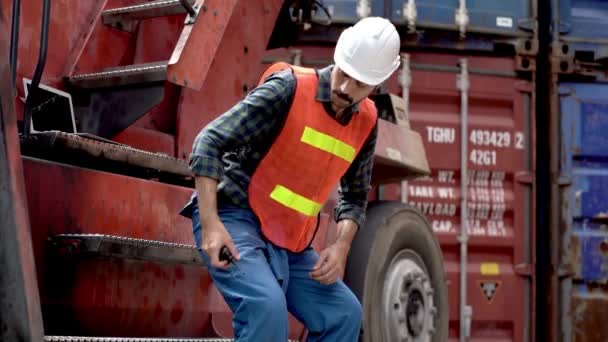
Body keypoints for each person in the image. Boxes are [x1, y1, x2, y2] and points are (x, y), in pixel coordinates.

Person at [179, 17, 401, 342]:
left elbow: (354, 195)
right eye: (344, 74)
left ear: (377, 85)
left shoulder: (366, 122)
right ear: (337, 57)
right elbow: (208, 141)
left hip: (290, 241)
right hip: (234, 219)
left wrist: (341, 247)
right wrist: (211, 226)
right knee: (266, 309)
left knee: (344, 314)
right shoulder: (288, 89)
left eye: (359, 84)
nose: (344, 88)